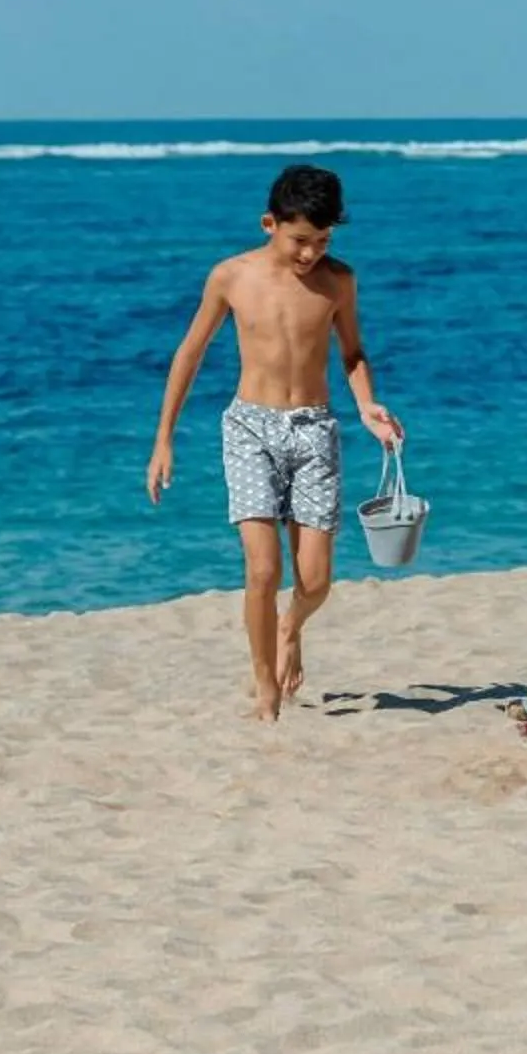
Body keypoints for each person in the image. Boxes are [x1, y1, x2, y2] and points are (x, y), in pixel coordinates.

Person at [146, 163, 403, 719]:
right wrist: (164, 438)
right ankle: (265, 688)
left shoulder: (339, 281)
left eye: (323, 240)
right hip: (249, 428)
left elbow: (352, 353)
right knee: (263, 571)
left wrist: (367, 407)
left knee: (315, 581)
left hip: (314, 429)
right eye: (300, 240)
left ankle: (290, 626)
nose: (311, 253)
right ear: (269, 223)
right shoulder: (231, 277)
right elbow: (189, 353)